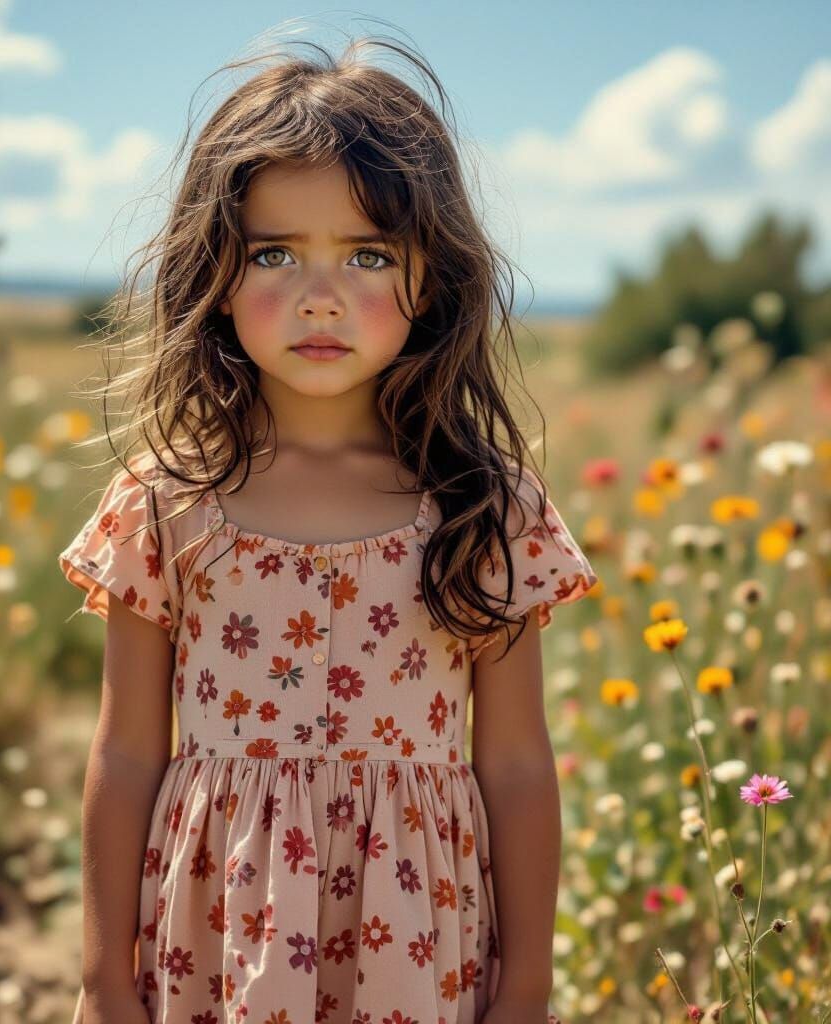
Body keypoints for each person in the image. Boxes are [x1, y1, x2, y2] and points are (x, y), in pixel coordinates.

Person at [58, 32, 597, 1024]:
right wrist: (100, 979)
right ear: (215, 274)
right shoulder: (166, 502)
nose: (319, 294)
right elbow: (126, 751)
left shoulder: (485, 505)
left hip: (418, 937)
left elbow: (515, 763)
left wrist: (526, 986)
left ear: (430, 278)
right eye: (273, 253)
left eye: (367, 254)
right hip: (213, 929)